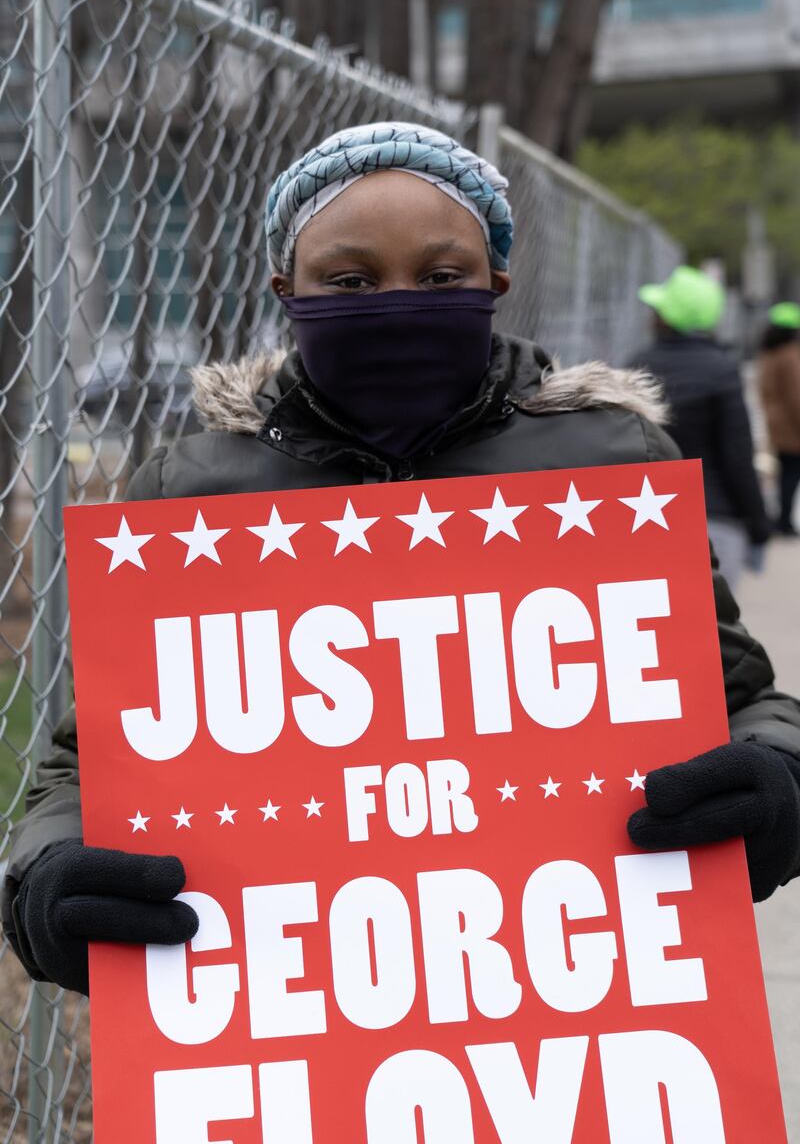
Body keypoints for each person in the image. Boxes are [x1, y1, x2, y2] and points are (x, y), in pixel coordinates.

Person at [5, 123, 800, 996]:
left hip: (580, 1009)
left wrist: (778, 778)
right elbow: (93, 761)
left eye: (440, 276)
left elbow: (738, 698)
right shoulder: (189, 500)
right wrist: (48, 878)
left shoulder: (610, 466)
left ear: (496, 282)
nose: (397, 299)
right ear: (287, 288)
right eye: (349, 280)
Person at [634, 265, 771, 591]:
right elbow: (737, 455)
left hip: (647, 514)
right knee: (714, 632)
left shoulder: (636, 364)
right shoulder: (722, 370)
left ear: (666, 318)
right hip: (714, 516)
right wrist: (758, 524)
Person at [759, 301, 800, 537]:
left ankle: (781, 519)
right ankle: (784, 521)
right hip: (793, 427)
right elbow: (796, 395)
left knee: (786, 473)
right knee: (791, 475)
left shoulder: (768, 353)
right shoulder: (789, 355)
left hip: (777, 424)